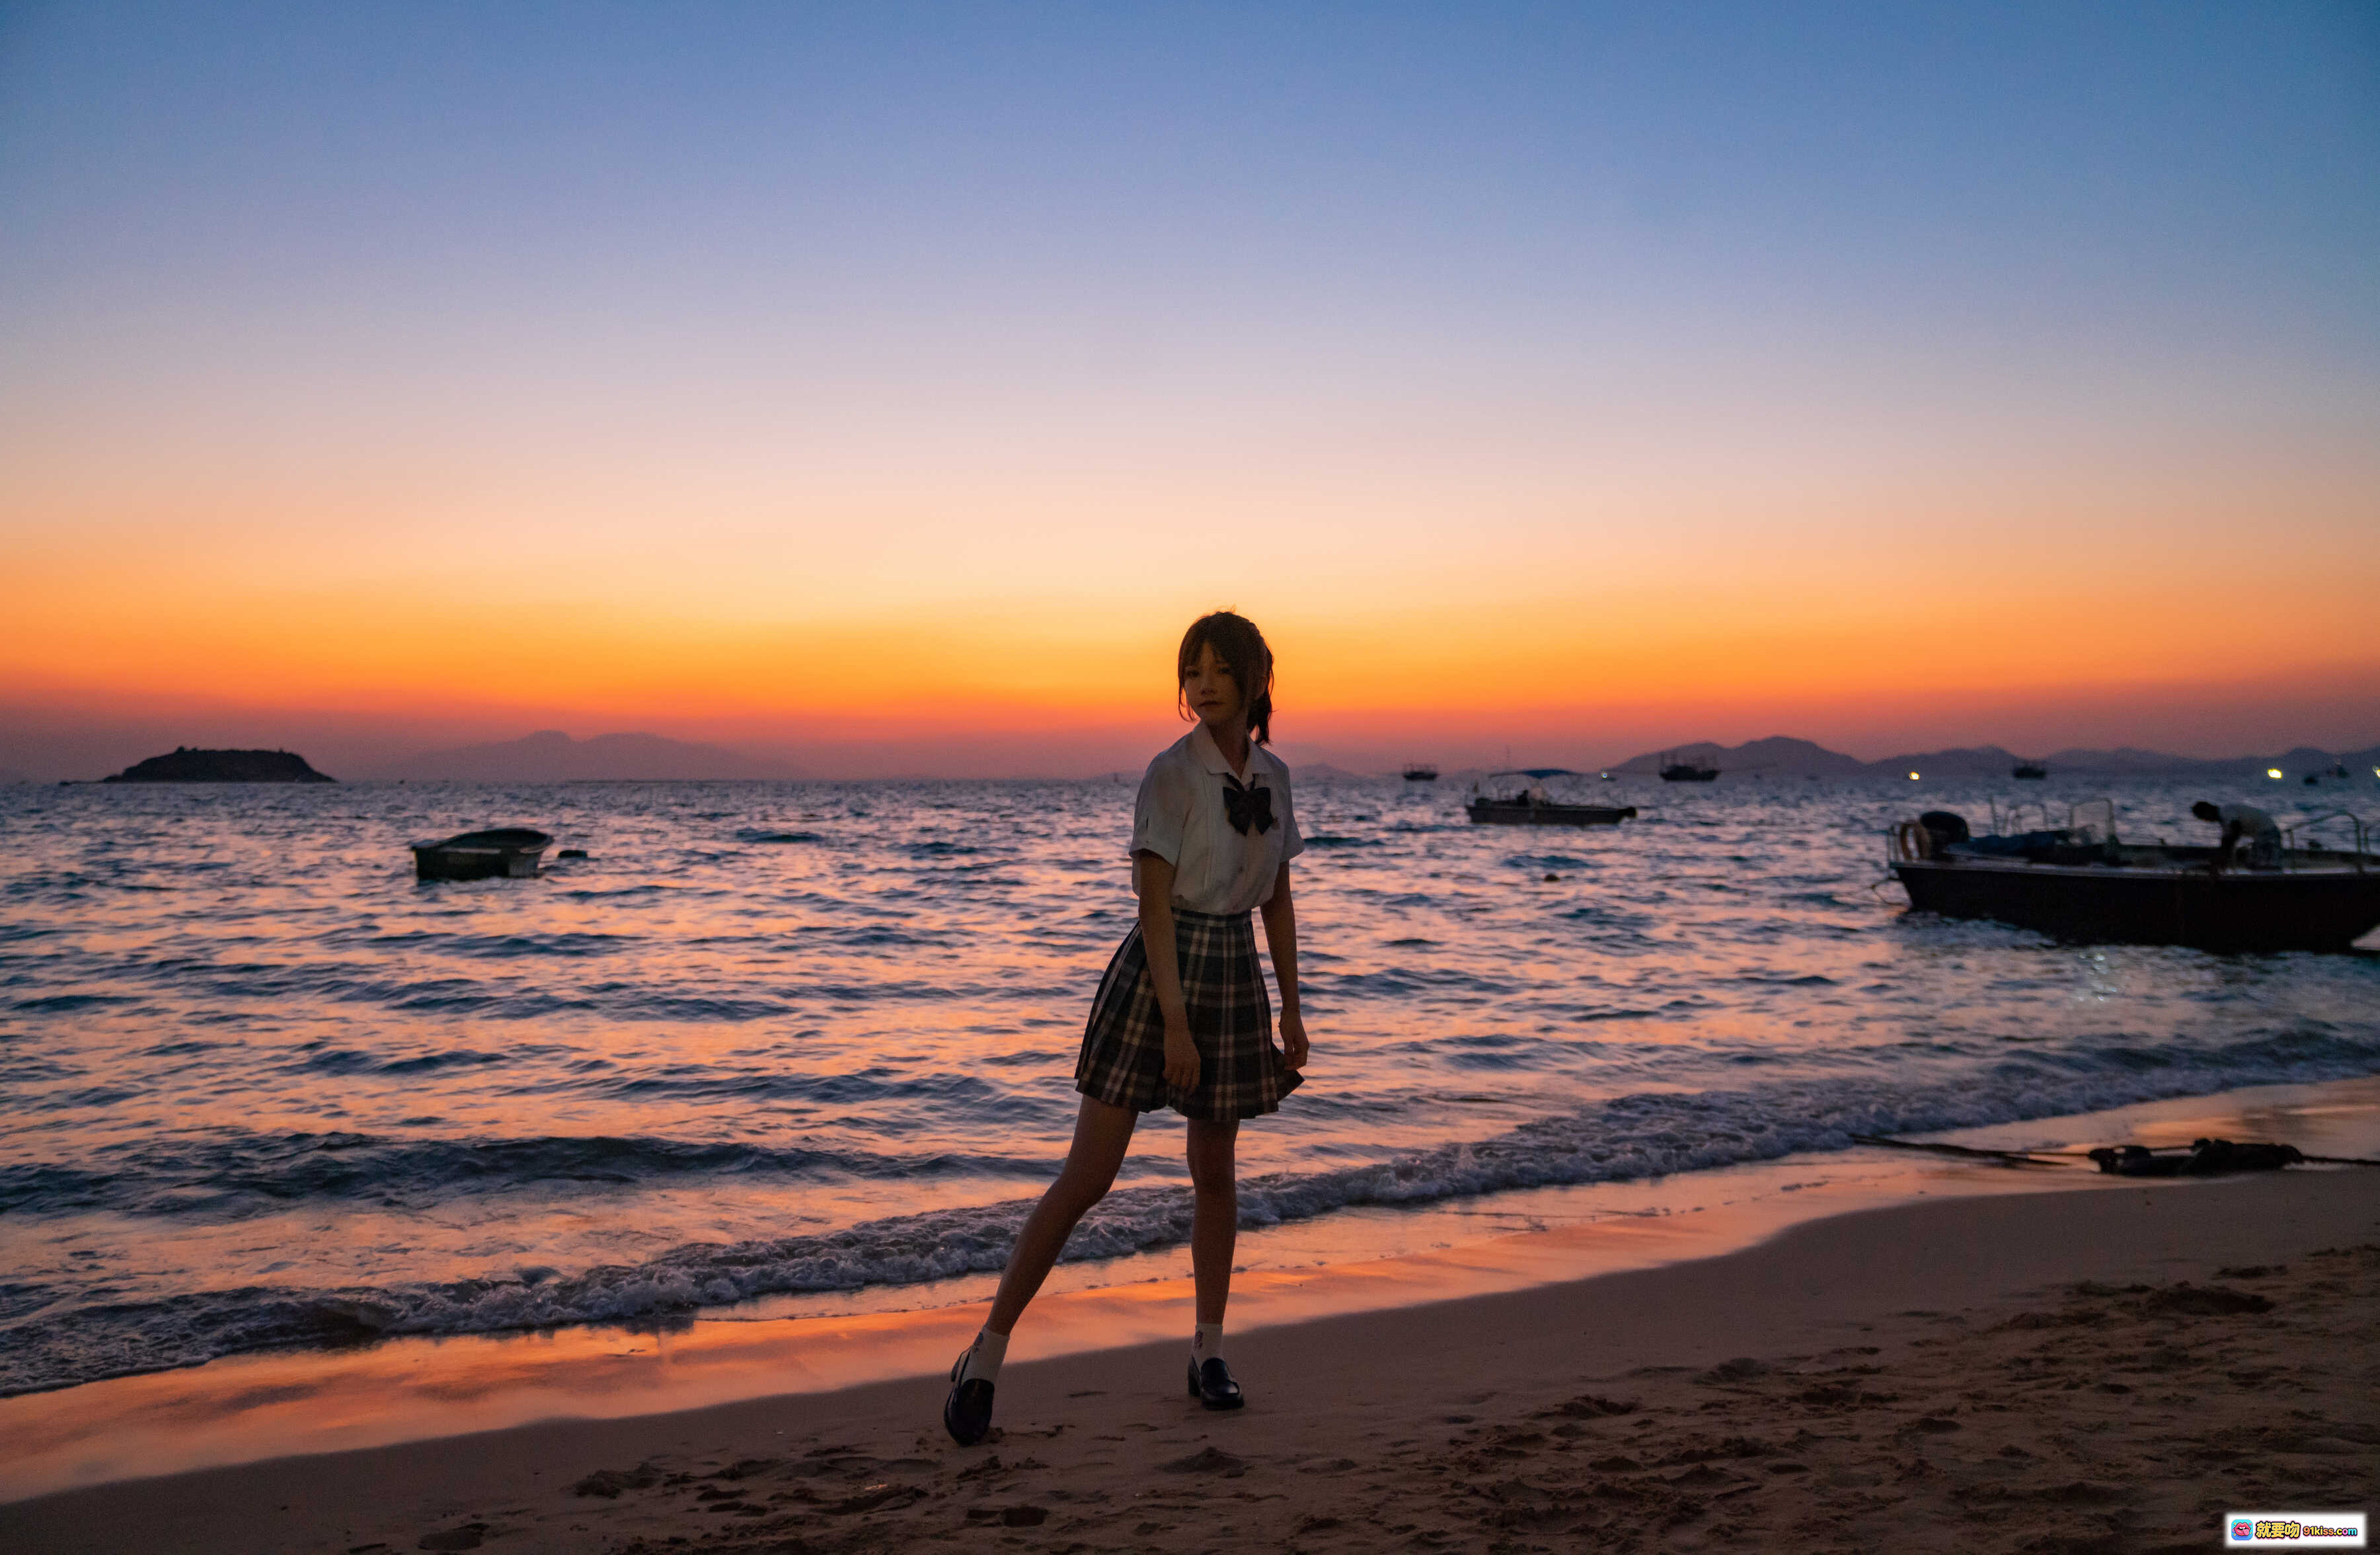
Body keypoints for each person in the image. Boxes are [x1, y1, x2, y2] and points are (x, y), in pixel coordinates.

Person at [942, 610, 1310, 1445]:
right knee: (1089, 1176)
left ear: (1253, 679)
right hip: (1159, 975)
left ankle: (1208, 1353)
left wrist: (1290, 1004)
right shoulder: (1168, 775)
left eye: (1219, 668)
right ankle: (985, 1354)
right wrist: (1175, 1027)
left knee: (1213, 1171)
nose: (1203, 682)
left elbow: (1279, 899)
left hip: (1232, 970)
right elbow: (1149, 909)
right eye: (1191, 670)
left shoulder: (1278, 777)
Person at [2190, 800, 2281, 871]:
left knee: (2266, 865)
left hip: (2268, 834)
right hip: (2260, 836)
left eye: (2203, 817)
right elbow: (2226, 840)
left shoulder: (2226, 812)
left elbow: (2236, 829)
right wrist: (2222, 854)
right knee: (2254, 863)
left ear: (2208, 811)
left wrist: (2225, 852)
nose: (2206, 820)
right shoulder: (2225, 821)